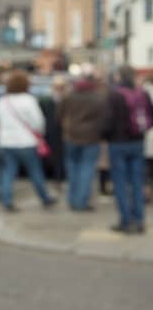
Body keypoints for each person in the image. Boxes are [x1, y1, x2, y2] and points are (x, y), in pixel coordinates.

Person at [0, 71, 56, 212]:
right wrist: (39, 134)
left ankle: (7, 200)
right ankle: (44, 197)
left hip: (6, 142)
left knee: (8, 172)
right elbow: (38, 122)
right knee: (35, 171)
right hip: (26, 142)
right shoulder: (28, 100)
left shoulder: (2, 101)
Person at [102, 65, 153, 233]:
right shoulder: (143, 93)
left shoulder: (114, 95)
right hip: (138, 142)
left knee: (121, 183)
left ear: (119, 76)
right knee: (138, 182)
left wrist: (106, 136)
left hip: (118, 143)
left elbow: (107, 122)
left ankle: (126, 220)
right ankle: (139, 220)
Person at [58, 74, 105, 211]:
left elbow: (59, 115)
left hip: (71, 136)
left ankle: (72, 199)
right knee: (87, 169)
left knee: (72, 168)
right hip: (91, 137)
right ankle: (81, 201)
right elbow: (103, 118)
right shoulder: (98, 99)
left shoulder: (68, 97)